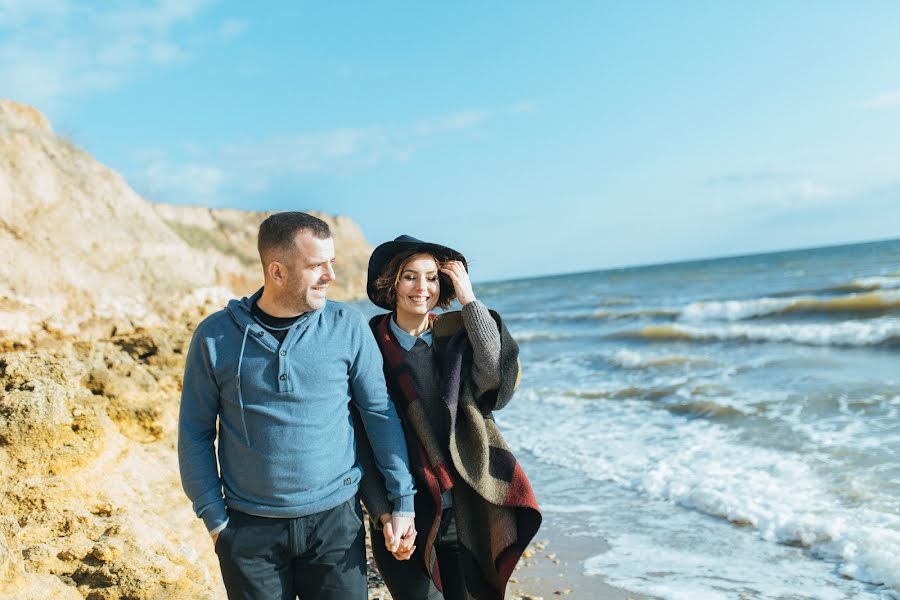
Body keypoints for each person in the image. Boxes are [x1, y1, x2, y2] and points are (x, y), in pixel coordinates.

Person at [178, 212, 417, 600]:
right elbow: (195, 431)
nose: (330, 276)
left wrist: (401, 500)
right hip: (249, 533)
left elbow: (379, 414)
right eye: (315, 265)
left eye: (331, 263)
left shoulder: (347, 325)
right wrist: (216, 521)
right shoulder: (215, 337)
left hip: (336, 526)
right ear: (277, 271)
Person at [356, 235, 542, 600]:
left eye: (431, 277)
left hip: (463, 507)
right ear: (390, 284)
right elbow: (359, 439)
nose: (421, 287)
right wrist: (381, 513)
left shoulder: (455, 338)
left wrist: (469, 299)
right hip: (403, 505)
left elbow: (495, 375)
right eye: (409, 276)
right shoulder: (368, 346)